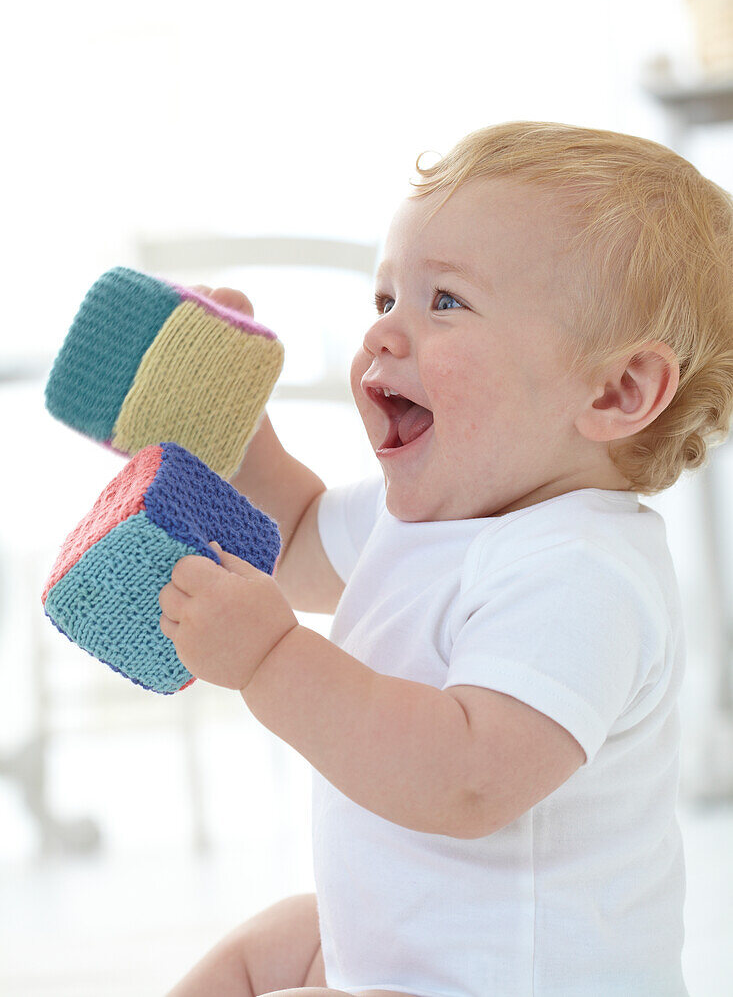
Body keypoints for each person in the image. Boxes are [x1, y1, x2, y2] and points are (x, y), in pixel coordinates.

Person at [161, 121, 733, 997]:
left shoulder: (583, 570)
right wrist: (230, 427)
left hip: (520, 982)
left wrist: (269, 660)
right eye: (385, 299)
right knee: (277, 943)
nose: (385, 336)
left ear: (615, 391)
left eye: (445, 304)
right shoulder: (432, 514)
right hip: (429, 960)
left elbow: (465, 781)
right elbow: (298, 538)